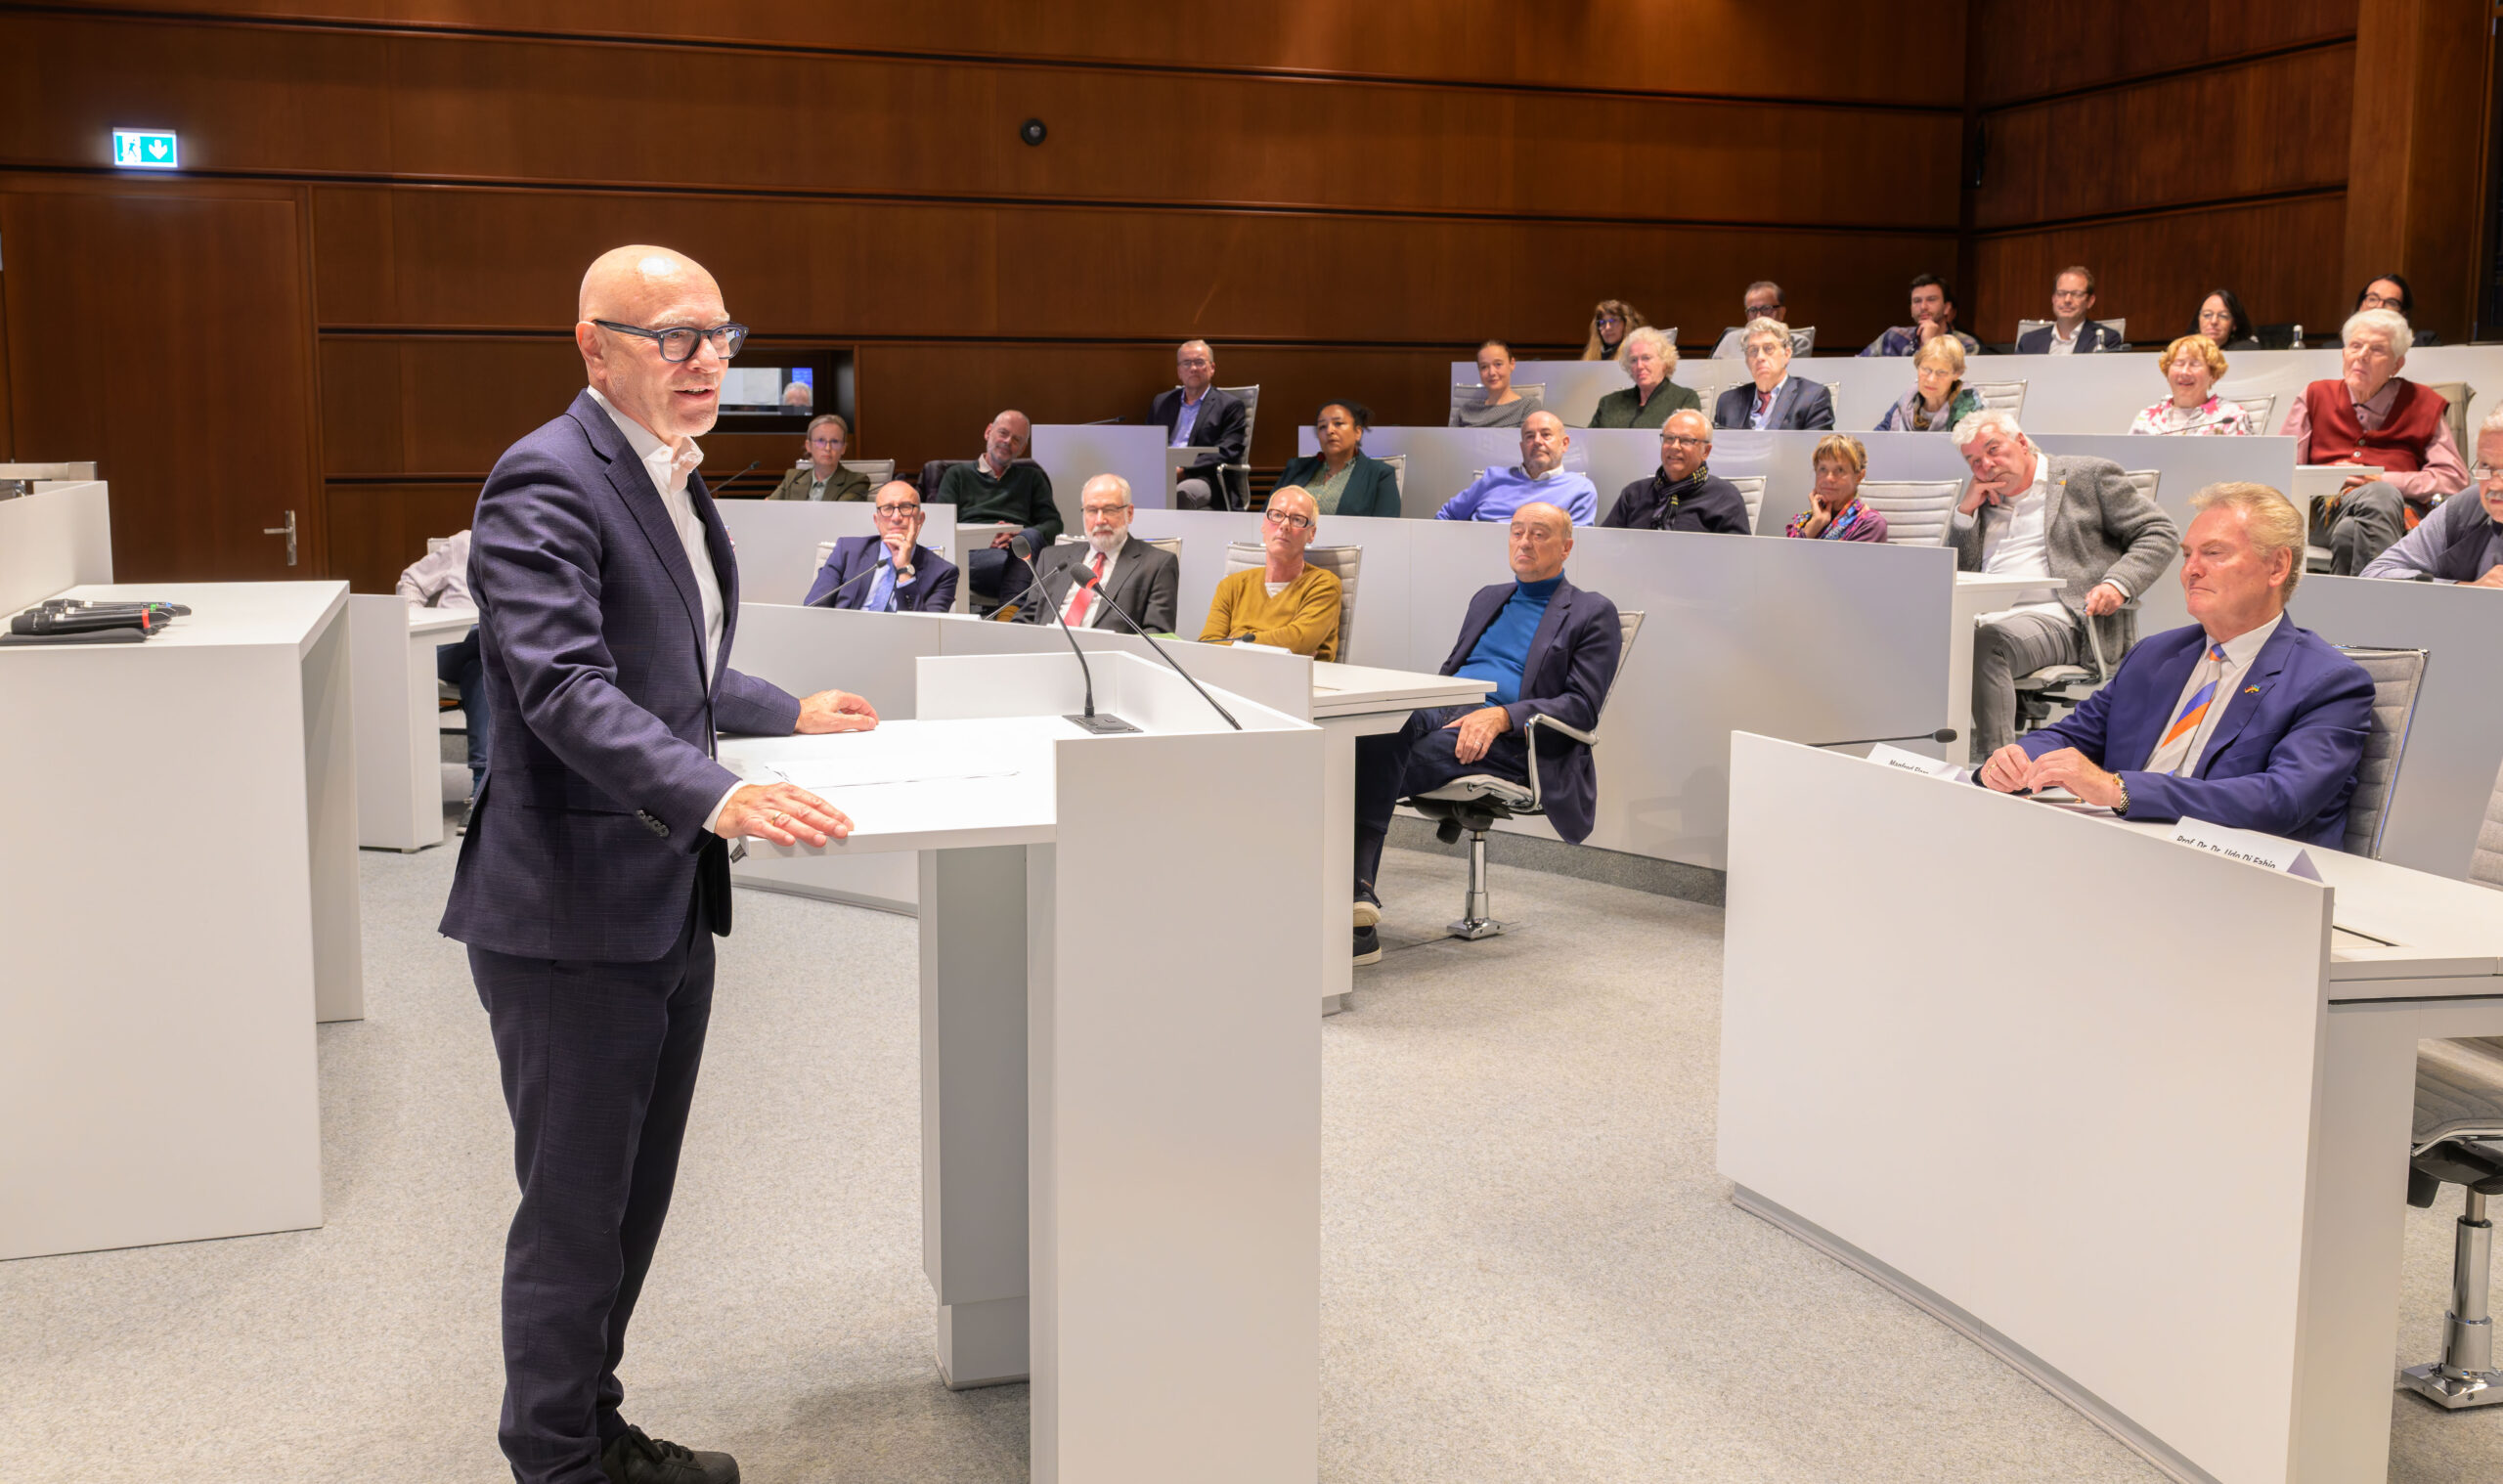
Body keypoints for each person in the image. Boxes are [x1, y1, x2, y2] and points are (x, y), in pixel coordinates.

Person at [442, 244, 881, 1484]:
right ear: (594, 345)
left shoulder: (672, 476)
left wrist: (777, 711)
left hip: (659, 897)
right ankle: (557, 1463)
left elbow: (664, 668)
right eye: (673, 339)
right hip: (566, 914)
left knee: (630, 1208)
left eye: (720, 336)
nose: (707, 364)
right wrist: (720, 789)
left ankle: (591, 1427)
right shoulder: (546, 479)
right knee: (577, 1216)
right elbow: (565, 688)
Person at [1979, 483, 2374, 851]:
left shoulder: (2329, 682)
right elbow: (2071, 736)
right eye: (2188, 555)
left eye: (2214, 553)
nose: (2190, 570)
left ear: (2277, 567)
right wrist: (2015, 757)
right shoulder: (2156, 655)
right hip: (2120, 849)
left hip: (2236, 873)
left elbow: (2281, 800)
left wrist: (2119, 789)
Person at [1349, 501, 1622, 962]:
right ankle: (1353, 900)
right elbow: (1452, 669)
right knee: (1371, 734)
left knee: (1388, 761)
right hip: (1448, 704)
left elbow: (1582, 706)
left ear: (1567, 547)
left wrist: (1502, 716)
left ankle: (1354, 902)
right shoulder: (1488, 596)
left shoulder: (1593, 611)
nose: (1525, 541)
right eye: (1517, 532)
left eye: (1539, 533)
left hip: (1511, 738)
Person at [1949, 408, 2180, 757]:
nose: (1986, 465)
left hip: (2061, 617)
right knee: (1921, 636)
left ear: (2022, 442)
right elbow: (1955, 571)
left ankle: (1997, 768)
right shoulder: (1983, 498)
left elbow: (2159, 532)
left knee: (1985, 644)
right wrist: (1965, 513)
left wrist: (2117, 584)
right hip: (1982, 613)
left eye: (1993, 449)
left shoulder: (2085, 476)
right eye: (1974, 461)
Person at [2283, 307, 2468, 575]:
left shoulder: (2423, 402)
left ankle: (2350, 614)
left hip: (2398, 509)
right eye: (2355, 346)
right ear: (2344, 353)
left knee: (2351, 532)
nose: (2362, 356)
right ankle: (2390, 602)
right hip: (2324, 510)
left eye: (2377, 350)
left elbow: (2454, 478)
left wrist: (2386, 480)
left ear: (2397, 363)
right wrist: (2326, 477)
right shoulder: (2314, 395)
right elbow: (2283, 467)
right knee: (2377, 499)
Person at [1019, 473, 1181, 633]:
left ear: (1129, 513)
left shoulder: (1157, 564)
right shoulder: (1051, 558)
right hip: (1045, 653)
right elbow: (1027, 619)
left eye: (1109, 510)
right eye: (1091, 510)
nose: (1100, 520)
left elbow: (1158, 634)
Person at [929, 410, 1060, 606]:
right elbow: (942, 526)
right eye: (1003, 433)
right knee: (1032, 572)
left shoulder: (1032, 478)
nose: (1008, 441)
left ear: (1022, 448)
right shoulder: (956, 475)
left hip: (1019, 550)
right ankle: (1012, 619)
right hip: (974, 554)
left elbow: (1054, 523)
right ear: (988, 432)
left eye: (1016, 439)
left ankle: (1008, 619)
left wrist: (1018, 535)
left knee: (1029, 543)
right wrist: (985, 536)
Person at [397, 529, 490, 807]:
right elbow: (411, 581)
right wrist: (416, 622)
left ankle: (480, 789)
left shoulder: (529, 545)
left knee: (481, 667)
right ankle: (482, 785)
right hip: (447, 647)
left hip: (489, 656)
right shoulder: (465, 542)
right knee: (482, 637)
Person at [2362, 406, 2503, 586]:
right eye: (2485, 466)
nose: (2495, 485)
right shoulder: (2466, 508)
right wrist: (2469, 589)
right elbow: (2375, 574)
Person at [1198, 487, 1342, 660]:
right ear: (1263, 525)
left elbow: (1298, 642)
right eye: (1277, 515)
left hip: (1300, 683)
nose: (1284, 525)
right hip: (1233, 680)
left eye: (1297, 519)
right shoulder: (1231, 586)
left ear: (1311, 534)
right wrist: (1282, 650)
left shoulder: (1324, 584)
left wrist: (1236, 637)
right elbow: (1207, 645)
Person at [801, 480, 960, 611]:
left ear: (920, 519)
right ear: (877, 521)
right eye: (888, 508)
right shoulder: (847, 551)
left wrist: (904, 569)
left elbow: (927, 632)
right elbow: (813, 609)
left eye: (905, 507)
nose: (896, 517)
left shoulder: (944, 573)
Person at [1435, 410, 1598, 524]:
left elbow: (1575, 548)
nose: (1537, 441)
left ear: (1564, 444)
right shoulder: (1493, 478)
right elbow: (1446, 516)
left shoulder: (1580, 490)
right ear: (1522, 447)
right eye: (1530, 436)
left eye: (1546, 434)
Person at [1600, 411, 1750, 533]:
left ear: (1706, 451)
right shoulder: (1634, 493)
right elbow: (1605, 546)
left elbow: (1736, 559)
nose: (1674, 446)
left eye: (1686, 440)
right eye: (1669, 438)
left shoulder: (1725, 497)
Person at [1150, 339, 1249, 509]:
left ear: (1212, 368)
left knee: (1181, 493)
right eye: (1186, 363)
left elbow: (1227, 450)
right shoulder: (1162, 402)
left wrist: (1184, 470)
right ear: (1179, 371)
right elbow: (1148, 444)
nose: (1193, 368)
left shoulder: (1230, 406)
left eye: (1199, 362)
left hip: (1203, 476)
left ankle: (1173, 536)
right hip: (1161, 472)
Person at [1270, 400, 1401, 517]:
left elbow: (1386, 530)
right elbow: (1267, 515)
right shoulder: (1296, 468)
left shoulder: (1380, 474)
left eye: (1338, 423)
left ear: (1358, 432)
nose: (1329, 431)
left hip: (1349, 543)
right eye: (1322, 426)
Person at [1713, 317, 1835, 430]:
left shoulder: (1813, 397)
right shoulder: (1728, 402)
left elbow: (1817, 451)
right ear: (1746, 360)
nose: (1760, 357)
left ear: (1787, 354)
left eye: (1768, 348)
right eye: (1753, 350)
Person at [2129, 335, 2256, 436]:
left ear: (2213, 375)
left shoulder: (2232, 416)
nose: (2184, 371)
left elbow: (2247, 465)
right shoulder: (2146, 418)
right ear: (2167, 372)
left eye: (2195, 364)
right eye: (2179, 363)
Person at [1587, 327, 1700, 429]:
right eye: (1633, 360)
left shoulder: (1684, 399)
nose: (1639, 366)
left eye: (1646, 358)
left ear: (1665, 361)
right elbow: (1587, 443)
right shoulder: (1609, 403)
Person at [1783, 434, 1889, 542]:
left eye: (1839, 470)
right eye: (1823, 469)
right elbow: (1787, 557)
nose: (1829, 478)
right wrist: (1814, 525)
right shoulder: (1805, 521)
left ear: (1859, 476)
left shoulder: (1870, 525)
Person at [1874, 335, 1984, 432]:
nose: (1931, 379)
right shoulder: (1905, 401)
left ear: (1956, 374)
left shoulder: (1969, 405)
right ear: (1917, 367)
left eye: (1941, 373)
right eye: (1926, 370)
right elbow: (1877, 441)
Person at [1861, 274, 1980, 357]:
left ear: (1947, 308)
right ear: (1911, 309)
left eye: (1931, 300)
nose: (1923, 307)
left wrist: (1929, 342)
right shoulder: (1893, 337)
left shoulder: (1965, 344)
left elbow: (1944, 383)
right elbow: (1857, 367)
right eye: (1917, 301)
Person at [2015, 266, 2124, 355]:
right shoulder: (2029, 341)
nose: (2067, 300)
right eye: (2061, 293)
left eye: (2076, 294)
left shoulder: (2107, 339)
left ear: (2090, 301)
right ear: (2053, 299)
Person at [767, 414, 872, 502]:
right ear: (809, 446)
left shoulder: (857, 482)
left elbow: (837, 515)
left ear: (843, 448)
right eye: (821, 440)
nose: (827, 448)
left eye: (834, 441)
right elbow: (768, 508)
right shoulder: (792, 478)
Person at [1452, 339, 1541, 428]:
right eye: (1484, 367)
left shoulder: (1527, 406)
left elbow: (1528, 440)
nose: (1491, 372)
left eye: (1498, 364)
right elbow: (1450, 440)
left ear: (1512, 364)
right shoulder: (1467, 409)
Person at [2359, 273, 2440, 345]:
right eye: (2372, 299)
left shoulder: (2424, 342)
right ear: (2361, 306)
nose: (2379, 306)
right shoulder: (2346, 342)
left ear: (2403, 314)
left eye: (2391, 303)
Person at [2193, 288, 2261, 351]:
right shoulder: (2187, 348)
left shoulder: (2245, 349)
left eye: (2223, 316)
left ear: (2234, 324)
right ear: (2199, 319)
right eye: (2207, 315)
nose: (2213, 321)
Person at [1581, 300, 1646, 362]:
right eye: (1602, 322)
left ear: (1626, 324)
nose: (1607, 327)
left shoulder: (1638, 357)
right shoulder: (1590, 358)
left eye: (1613, 321)